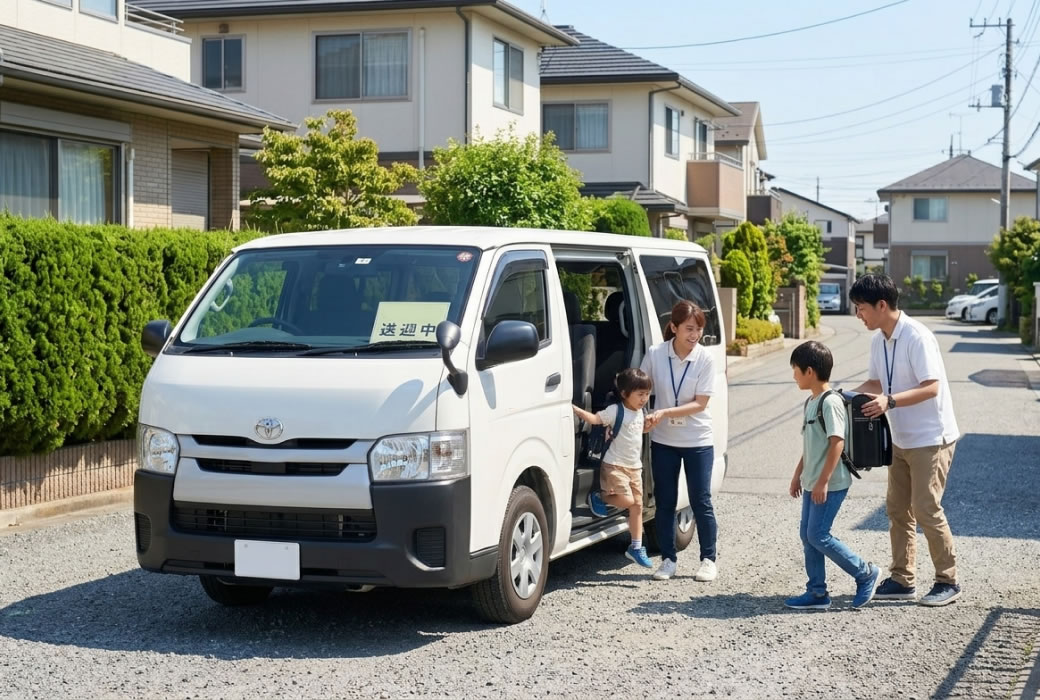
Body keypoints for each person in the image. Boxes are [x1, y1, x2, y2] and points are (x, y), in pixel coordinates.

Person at [849, 273, 962, 607]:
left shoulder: (916, 336)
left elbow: (932, 386)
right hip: (901, 438)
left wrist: (890, 401)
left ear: (881, 305)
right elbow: (875, 381)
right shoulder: (878, 340)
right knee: (897, 510)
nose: (858, 315)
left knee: (926, 509)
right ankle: (903, 578)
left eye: (861, 308)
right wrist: (841, 394)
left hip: (932, 437)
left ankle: (948, 580)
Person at [786, 341, 880, 611]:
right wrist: (797, 476)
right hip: (813, 482)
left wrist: (823, 481)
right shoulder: (810, 401)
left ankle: (865, 573)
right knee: (808, 534)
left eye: (795, 369)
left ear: (810, 371)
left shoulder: (831, 402)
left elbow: (837, 442)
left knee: (818, 534)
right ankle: (817, 593)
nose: (793, 375)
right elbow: (810, 446)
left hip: (830, 483)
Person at [640, 300, 718, 582]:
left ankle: (709, 559)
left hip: (697, 439)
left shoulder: (705, 358)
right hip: (663, 440)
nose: (694, 335)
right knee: (665, 502)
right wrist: (640, 413)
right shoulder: (656, 354)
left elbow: (701, 403)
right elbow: (641, 388)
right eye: (688, 329)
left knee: (701, 500)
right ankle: (668, 560)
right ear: (673, 327)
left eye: (697, 329)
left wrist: (663, 412)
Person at [572, 368, 654, 568]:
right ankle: (600, 496)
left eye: (647, 394)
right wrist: (574, 409)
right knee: (628, 501)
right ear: (625, 394)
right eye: (640, 394)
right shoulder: (616, 411)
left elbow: (638, 430)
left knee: (637, 506)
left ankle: (636, 546)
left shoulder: (641, 412)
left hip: (635, 467)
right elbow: (595, 420)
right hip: (615, 464)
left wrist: (648, 426)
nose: (644, 399)